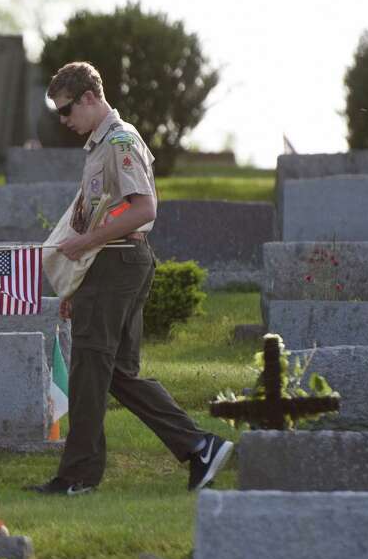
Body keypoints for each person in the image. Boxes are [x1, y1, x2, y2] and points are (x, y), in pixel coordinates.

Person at [26, 61, 232, 495]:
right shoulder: (100, 146)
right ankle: (198, 446)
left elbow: (144, 209)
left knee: (88, 369)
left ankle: (77, 477)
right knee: (116, 372)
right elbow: (97, 213)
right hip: (108, 264)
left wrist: (84, 246)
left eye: (66, 111)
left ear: (88, 98)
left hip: (117, 262)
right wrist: (77, 279)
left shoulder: (120, 143)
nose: (64, 121)